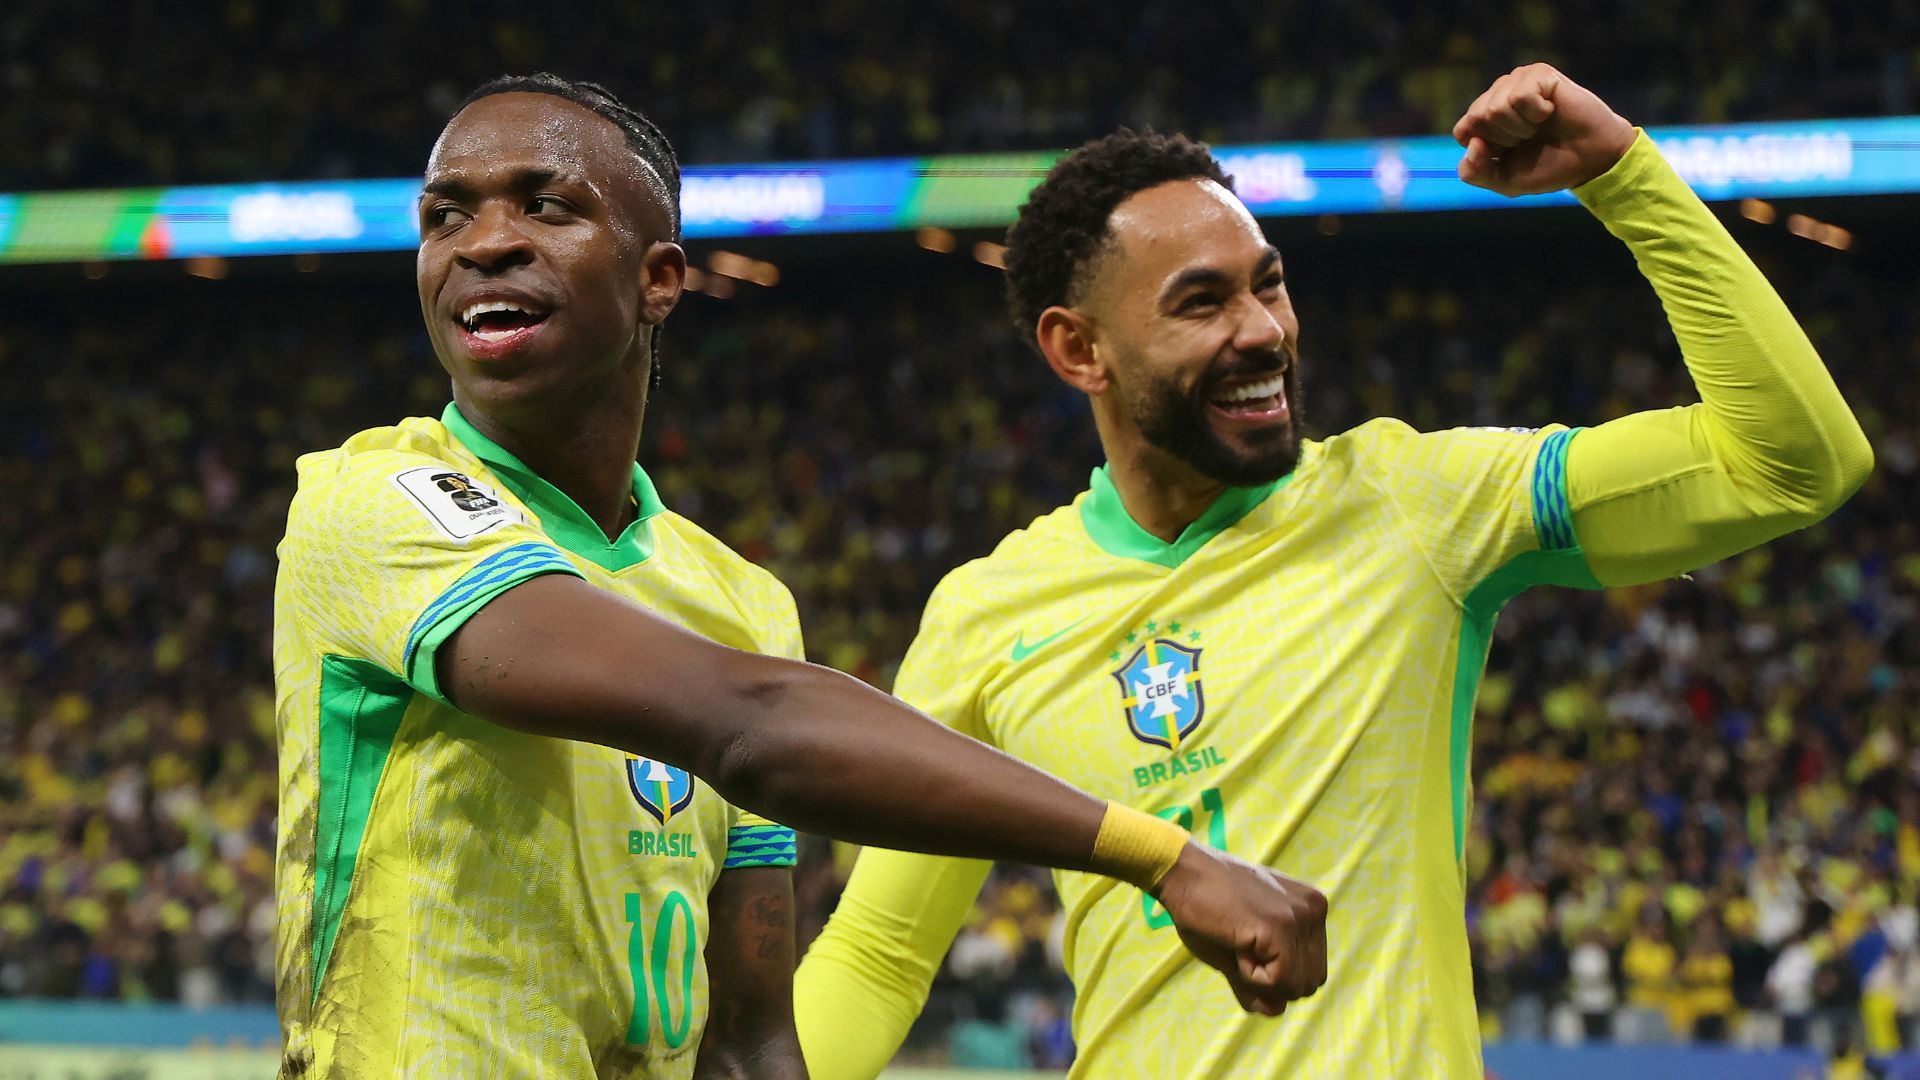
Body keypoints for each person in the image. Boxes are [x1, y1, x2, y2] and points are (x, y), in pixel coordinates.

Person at [794, 63, 1872, 1077]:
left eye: (1269, 285)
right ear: (1080, 350)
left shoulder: (1417, 505)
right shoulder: (988, 612)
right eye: (1202, 302)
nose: (1264, 331)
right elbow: (879, 954)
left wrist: (1626, 177)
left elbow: (1790, 464)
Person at [271, 74, 1329, 1080]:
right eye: (445, 216)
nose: (484, 242)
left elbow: (749, 1044)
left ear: (659, 280)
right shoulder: (371, 502)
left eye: (546, 206)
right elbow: (749, 722)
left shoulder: (739, 603)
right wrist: (1161, 855)